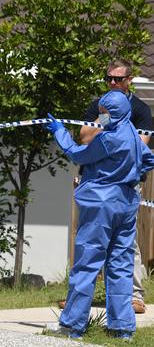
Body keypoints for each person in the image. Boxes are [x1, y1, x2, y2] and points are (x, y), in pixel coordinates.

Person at [45, 90, 154, 340]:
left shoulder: (109, 138)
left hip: (100, 206)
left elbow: (77, 153)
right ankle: (122, 327)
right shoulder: (134, 135)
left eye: (103, 113)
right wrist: (127, 173)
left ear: (113, 112)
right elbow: (148, 160)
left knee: (87, 263)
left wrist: (59, 131)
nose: (99, 117)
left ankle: (73, 325)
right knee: (121, 265)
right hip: (127, 204)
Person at [77, 58, 153, 314]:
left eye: (117, 79)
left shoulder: (140, 109)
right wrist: (108, 123)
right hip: (95, 186)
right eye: (108, 78)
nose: (112, 83)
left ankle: (134, 295)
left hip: (125, 187)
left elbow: (138, 147)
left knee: (126, 243)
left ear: (129, 80)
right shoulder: (97, 107)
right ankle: (81, 299)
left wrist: (104, 134)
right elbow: (84, 137)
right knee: (90, 241)